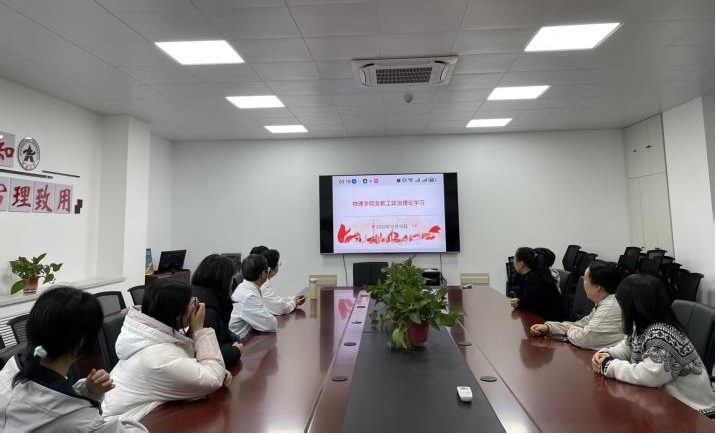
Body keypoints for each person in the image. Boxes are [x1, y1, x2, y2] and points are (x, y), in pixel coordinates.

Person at [0, 286, 146, 432]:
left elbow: (47, 404)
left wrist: (88, 391)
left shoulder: (12, 367)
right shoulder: (81, 422)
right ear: (83, 342)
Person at [102, 279, 230, 421]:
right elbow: (212, 379)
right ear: (177, 314)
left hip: (139, 412)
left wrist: (210, 368)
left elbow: (183, 363)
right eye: (192, 302)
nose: (197, 305)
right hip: (121, 424)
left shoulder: (155, 333)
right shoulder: (157, 358)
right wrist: (200, 330)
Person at [591, 274, 714, 417]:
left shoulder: (662, 334)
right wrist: (607, 354)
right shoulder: (642, 325)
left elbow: (648, 375)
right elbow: (627, 347)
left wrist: (609, 365)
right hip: (663, 401)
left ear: (636, 305)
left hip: (692, 410)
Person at [530, 260, 624, 349]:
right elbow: (581, 324)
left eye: (585, 279)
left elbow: (583, 339)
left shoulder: (609, 308)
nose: (583, 283)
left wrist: (569, 329)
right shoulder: (604, 302)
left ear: (597, 286)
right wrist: (550, 328)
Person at [192, 254, 244, 366]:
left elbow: (221, 333)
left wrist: (232, 338)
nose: (232, 282)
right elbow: (207, 355)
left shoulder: (199, 298)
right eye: (231, 278)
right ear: (223, 280)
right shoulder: (207, 310)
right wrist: (234, 351)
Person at [508, 247, 565, 320]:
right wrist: (519, 302)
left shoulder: (533, 278)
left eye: (515, 260)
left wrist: (520, 303)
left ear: (521, 263)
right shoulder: (534, 275)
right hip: (546, 318)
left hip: (551, 322)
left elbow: (530, 303)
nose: (513, 263)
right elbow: (529, 300)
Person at [229, 254, 278, 339]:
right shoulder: (249, 296)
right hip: (241, 342)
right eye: (267, 270)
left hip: (245, 338)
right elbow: (271, 324)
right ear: (263, 273)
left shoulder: (244, 287)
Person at [250, 246, 306, 315]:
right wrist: (294, 303)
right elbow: (279, 308)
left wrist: (292, 299)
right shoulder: (263, 284)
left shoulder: (258, 280)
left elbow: (275, 300)